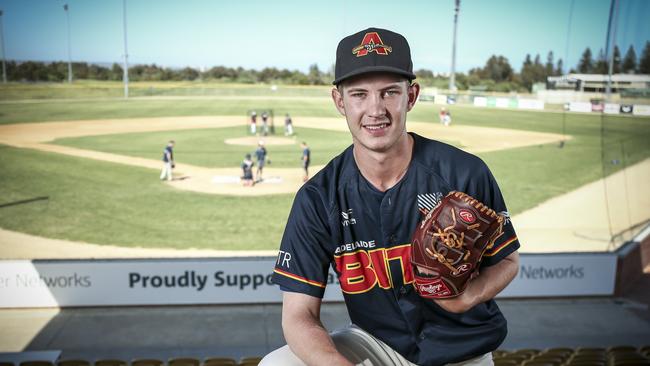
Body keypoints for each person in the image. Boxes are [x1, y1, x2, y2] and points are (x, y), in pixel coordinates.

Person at [261, 27, 520, 366]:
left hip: (463, 346)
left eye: (389, 93)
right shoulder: (318, 198)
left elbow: (507, 261)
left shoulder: (463, 173)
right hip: (375, 342)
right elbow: (298, 315)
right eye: (359, 95)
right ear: (339, 101)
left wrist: (470, 294)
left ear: (410, 96)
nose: (375, 109)